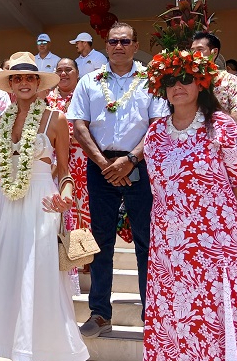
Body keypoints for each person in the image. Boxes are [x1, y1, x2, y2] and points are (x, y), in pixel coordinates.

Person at [141, 50, 237, 361]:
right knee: (177, 315)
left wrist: (219, 222)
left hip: (214, 243)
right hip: (168, 244)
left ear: (200, 84)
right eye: (170, 82)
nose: (177, 87)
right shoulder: (155, 132)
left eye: (185, 80)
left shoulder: (221, 126)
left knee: (214, 315)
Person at [0, 52, 89, 361]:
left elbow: (65, 172)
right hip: (7, 210)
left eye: (29, 78)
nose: (23, 83)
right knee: (14, 290)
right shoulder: (0, 122)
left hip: (41, 206)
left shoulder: (56, 119)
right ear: (10, 84)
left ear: (38, 83)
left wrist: (65, 197)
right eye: (17, 79)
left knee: (37, 289)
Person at [67, 23, 169, 336]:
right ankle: (100, 313)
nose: (119, 46)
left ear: (136, 45)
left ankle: (153, 313)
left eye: (125, 41)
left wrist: (131, 160)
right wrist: (104, 164)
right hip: (101, 167)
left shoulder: (151, 80)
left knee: (146, 240)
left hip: (141, 164)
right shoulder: (89, 81)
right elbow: (79, 125)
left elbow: (158, 125)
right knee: (100, 241)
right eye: (113, 41)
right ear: (106, 45)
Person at [46, 58, 90, 230]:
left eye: (68, 70)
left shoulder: (85, 96)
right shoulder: (46, 98)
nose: (63, 74)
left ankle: (82, 245)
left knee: (81, 209)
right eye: (59, 70)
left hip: (80, 163)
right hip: (51, 164)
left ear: (77, 73)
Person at [190, 31, 237, 127]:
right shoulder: (187, 81)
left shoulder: (230, 80)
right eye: (192, 50)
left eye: (200, 49)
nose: (194, 54)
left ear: (214, 52)